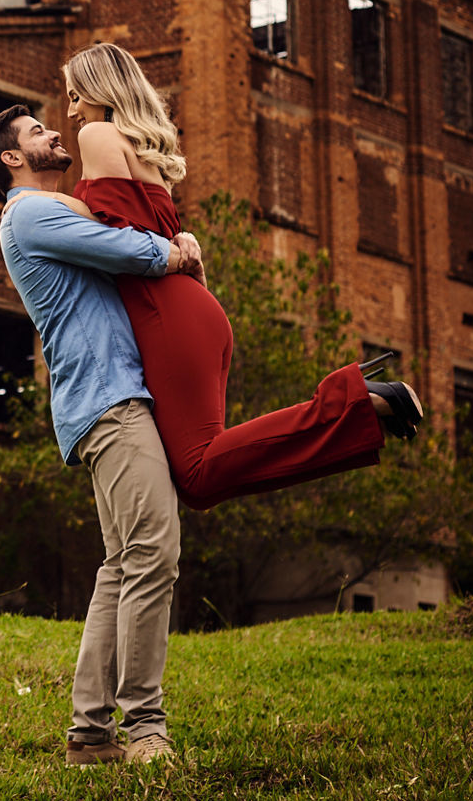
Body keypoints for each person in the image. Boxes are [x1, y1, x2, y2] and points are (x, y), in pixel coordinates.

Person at [58, 42, 421, 510]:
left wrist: (52, 208)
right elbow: (145, 231)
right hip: (190, 313)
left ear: (99, 89)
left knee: (197, 470)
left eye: (74, 96)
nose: (70, 112)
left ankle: (350, 399)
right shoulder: (142, 147)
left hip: (163, 312)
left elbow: (118, 241)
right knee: (197, 483)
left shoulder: (99, 136)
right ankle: (358, 411)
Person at [0, 104, 202, 766]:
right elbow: (124, 249)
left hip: (106, 400)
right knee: (154, 554)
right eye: (34, 132)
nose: (52, 132)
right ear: (13, 159)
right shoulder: (28, 213)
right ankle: (146, 729)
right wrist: (174, 251)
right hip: (110, 402)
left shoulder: (56, 210)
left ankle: (89, 735)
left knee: (123, 566)